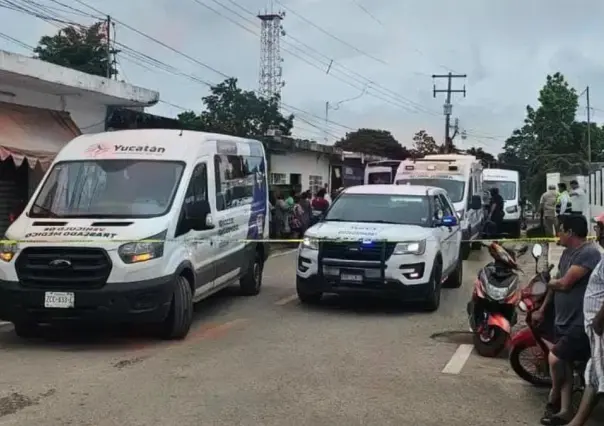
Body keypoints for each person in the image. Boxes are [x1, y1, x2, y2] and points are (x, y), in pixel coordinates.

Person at [535, 215, 600, 425]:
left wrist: (549, 282)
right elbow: (556, 287)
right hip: (563, 320)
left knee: (555, 358)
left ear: (571, 232)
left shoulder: (588, 253)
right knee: (564, 363)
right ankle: (563, 411)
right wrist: (543, 309)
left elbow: (564, 284)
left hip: (579, 322)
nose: (557, 234)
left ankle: (554, 394)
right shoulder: (566, 254)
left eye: (560, 230)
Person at [566, 214, 604, 426]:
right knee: (594, 374)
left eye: (599, 227)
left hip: (600, 328)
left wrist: (598, 320)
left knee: (598, 375)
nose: (596, 232)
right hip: (596, 330)